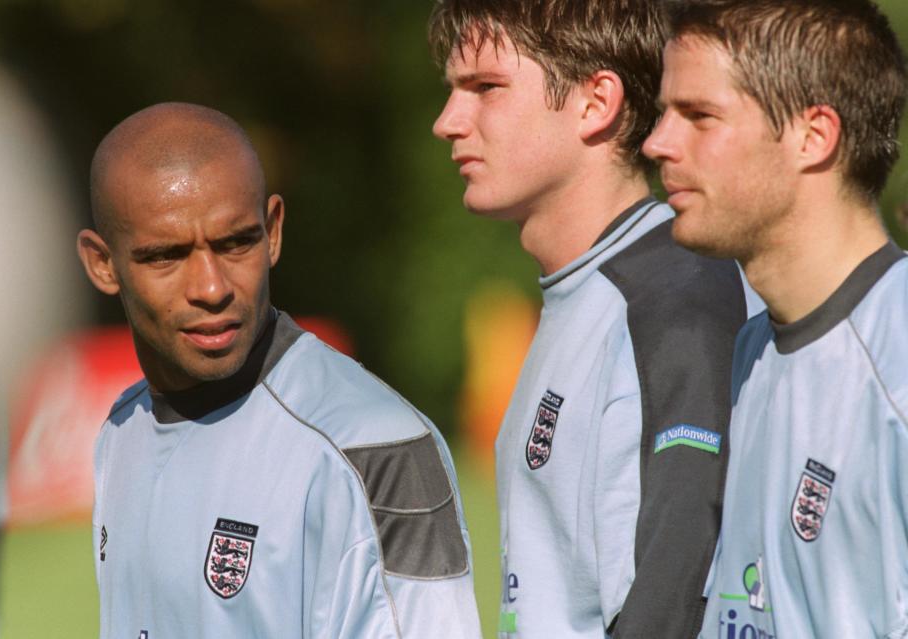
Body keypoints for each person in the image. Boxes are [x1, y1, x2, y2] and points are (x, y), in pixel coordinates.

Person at [76, 102, 482, 639]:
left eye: (236, 242)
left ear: (273, 232)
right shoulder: (119, 434)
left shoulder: (374, 449)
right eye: (167, 256)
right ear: (103, 264)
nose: (212, 287)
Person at [429, 1, 760, 636]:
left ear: (595, 102)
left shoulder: (678, 301)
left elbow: (673, 608)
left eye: (486, 87)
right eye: (453, 91)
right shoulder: (584, 294)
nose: (448, 121)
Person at [643, 1, 908, 637]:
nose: (657, 143)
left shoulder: (895, 360)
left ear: (813, 136)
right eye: (662, 114)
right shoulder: (756, 349)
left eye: (699, 116)